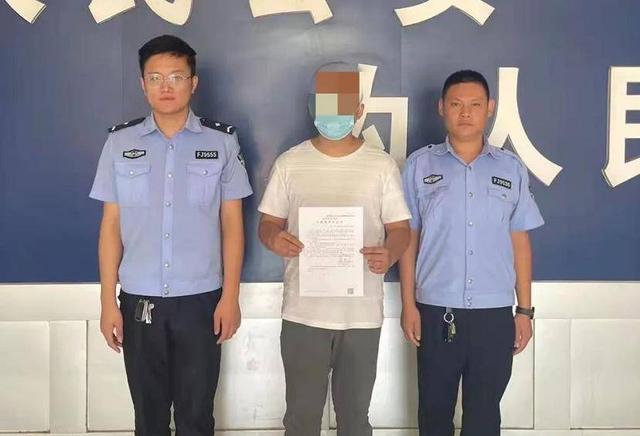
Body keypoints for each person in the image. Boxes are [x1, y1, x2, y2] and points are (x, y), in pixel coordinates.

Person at [89, 34, 252, 436]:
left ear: (193, 83)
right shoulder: (119, 142)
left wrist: (230, 296)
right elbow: (111, 225)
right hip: (139, 298)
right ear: (142, 84)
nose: (166, 87)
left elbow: (232, 225)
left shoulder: (221, 141)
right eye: (156, 78)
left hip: (201, 300)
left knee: (197, 416)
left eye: (177, 77)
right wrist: (108, 301)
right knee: (149, 418)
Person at [257, 62, 411, 436]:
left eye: (343, 105)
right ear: (313, 107)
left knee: (355, 420)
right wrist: (274, 238)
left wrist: (389, 253)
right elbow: (267, 224)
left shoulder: (380, 165)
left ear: (359, 110)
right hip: (303, 313)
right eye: (327, 104)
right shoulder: (290, 162)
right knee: (301, 420)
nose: (334, 113)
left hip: (360, 316)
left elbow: (401, 230)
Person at [399, 70, 544, 436]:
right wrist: (408, 305)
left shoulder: (511, 168)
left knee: (484, 417)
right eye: (456, 104)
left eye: (475, 105)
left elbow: (520, 242)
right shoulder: (419, 166)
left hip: (493, 315)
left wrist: (524, 311)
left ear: (490, 108)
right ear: (441, 108)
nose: (465, 113)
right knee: (434, 414)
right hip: (435, 310)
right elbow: (407, 239)